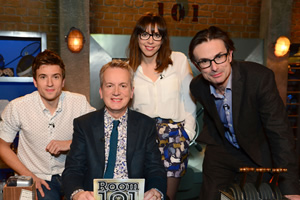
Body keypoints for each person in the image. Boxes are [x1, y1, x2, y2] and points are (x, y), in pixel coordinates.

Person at [188, 26, 300, 200]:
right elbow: (212, 116)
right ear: (197, 65)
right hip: (221, 152)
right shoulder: (197, 87)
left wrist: (290, 187)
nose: (214, 67)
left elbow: (279, 132)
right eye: (205, 61)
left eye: (219, 57)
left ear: (230, 54)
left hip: (254, 152)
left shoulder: (259, 78)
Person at [62, 60, 167, 200]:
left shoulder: (146, 125)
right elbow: (73, 170)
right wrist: (78, 193)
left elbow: (155, 169)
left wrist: (155, 191)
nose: (116, 92)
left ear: (131, 92)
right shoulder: (84, 125)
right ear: (101, 91)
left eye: (123, 86)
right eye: (109, 85)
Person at [0, 49, 95, 200]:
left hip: (73, 174)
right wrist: (30, 177)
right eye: (43, 77)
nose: (49, 83)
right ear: (35, 81)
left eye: (55, 77)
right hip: (37, 176)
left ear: (63, 81)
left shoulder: (79, 103)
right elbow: (2, 146)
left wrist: (71, 143)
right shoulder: (18, 107)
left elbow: (101, 133)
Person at [127, 12, 197, 200]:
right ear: (137, 37)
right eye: (145, 34)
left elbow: (190, 99)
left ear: (163, 38)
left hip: (174, 137)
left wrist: (187, 134)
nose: (150, 40)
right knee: (143, 194)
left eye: (157, 35)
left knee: (166, 196)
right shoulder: (128, 69)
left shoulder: (179, 60)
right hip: (142, 136)